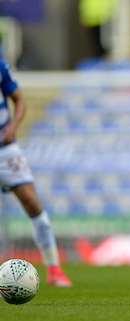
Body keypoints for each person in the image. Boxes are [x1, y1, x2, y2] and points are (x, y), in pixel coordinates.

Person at [0, 59, 72, 287]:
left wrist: (13, 126)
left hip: (5, 149)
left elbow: (19, 100)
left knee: (33, 205)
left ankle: (54, 270)